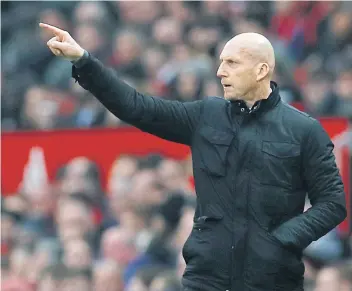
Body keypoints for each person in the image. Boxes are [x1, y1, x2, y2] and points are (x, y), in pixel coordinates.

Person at [39, 22, 347, 291]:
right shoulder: (205, 115)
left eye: (231, 63)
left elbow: (333, 204)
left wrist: (282, 240)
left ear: (262, 70)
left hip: (274, 280)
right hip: (205, 278)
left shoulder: (304, 130)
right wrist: (84, 61)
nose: (219, 71)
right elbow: (137, 106)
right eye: (220, 62)